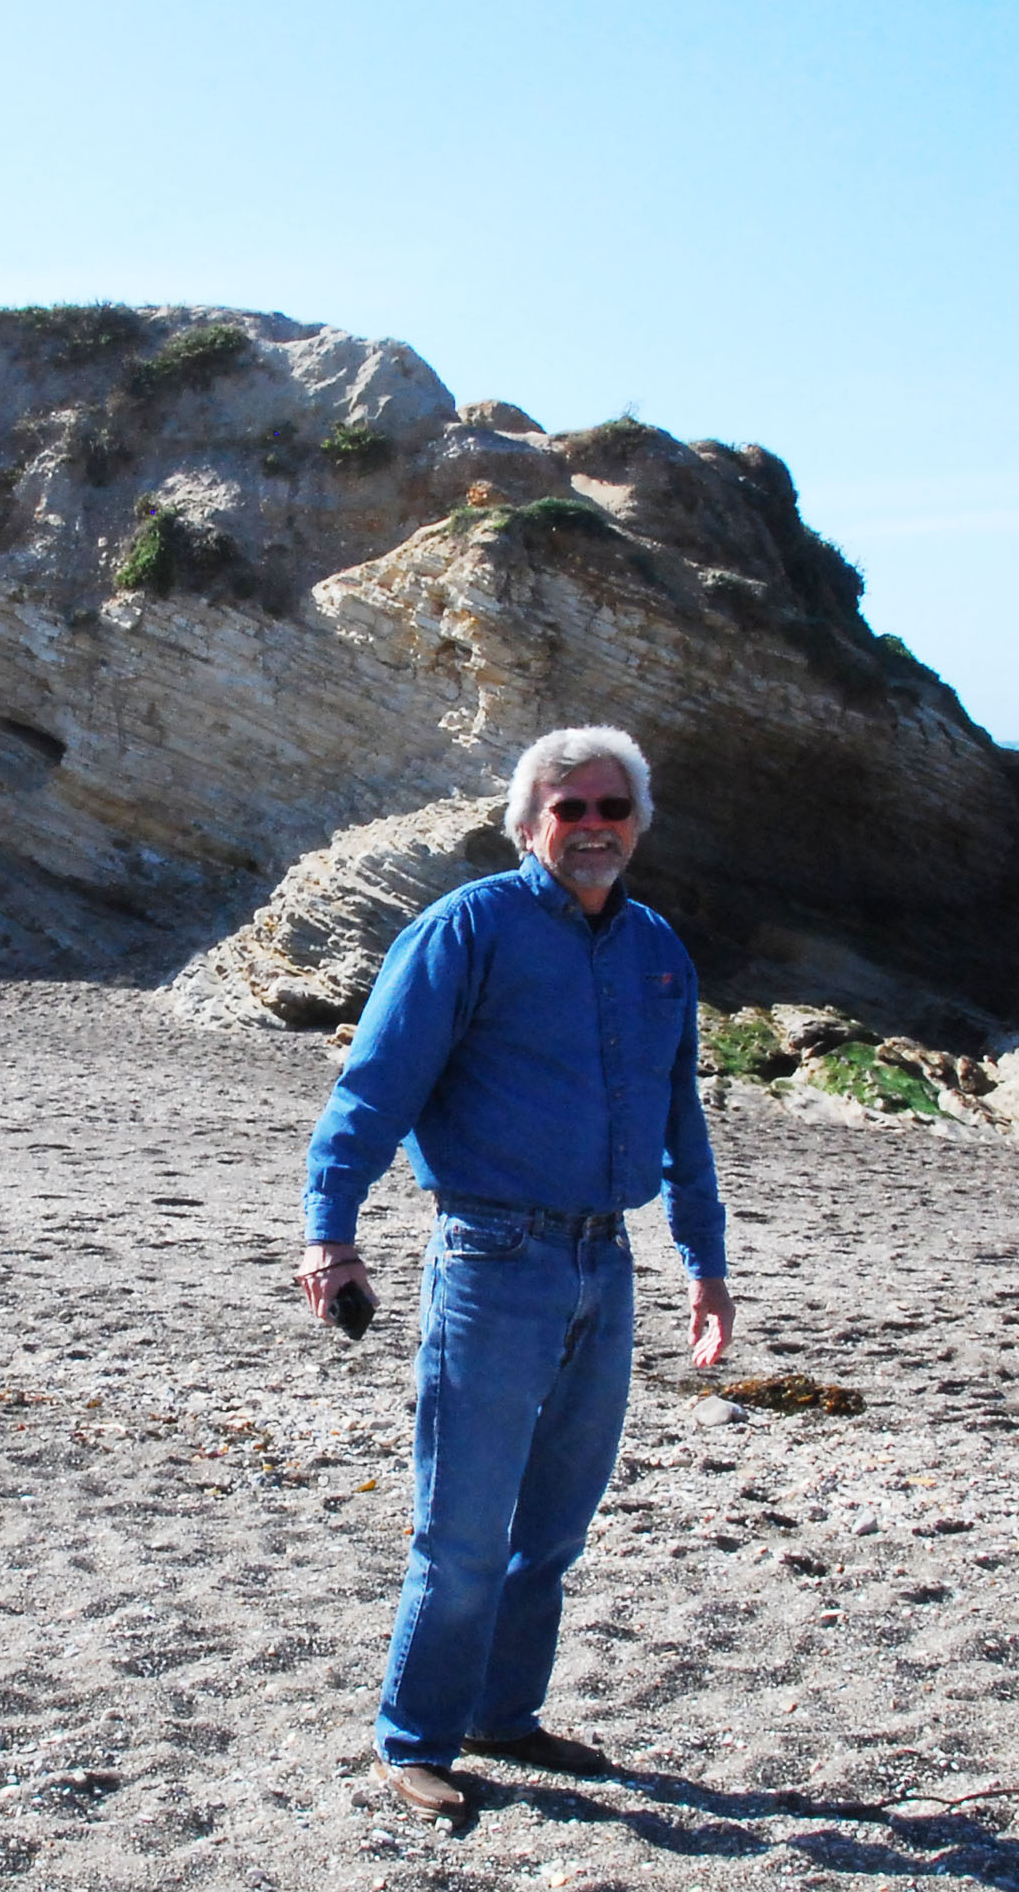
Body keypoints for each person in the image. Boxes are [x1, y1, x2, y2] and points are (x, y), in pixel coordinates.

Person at [296, 725, 735, 1815]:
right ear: (529, 823)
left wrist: (706, 1264)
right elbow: (372, 1090)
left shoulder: (657, 950)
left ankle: (504, 1713)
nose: (592, 827)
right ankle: (416, 1739)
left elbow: (682, 1119)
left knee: (557, 1522)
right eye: (569, 808)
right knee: (465, 1525)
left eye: (611, 808)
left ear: (639, 821)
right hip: (492, 1256)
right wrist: (330, 1235)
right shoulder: (465, 931)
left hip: (606, 1259)